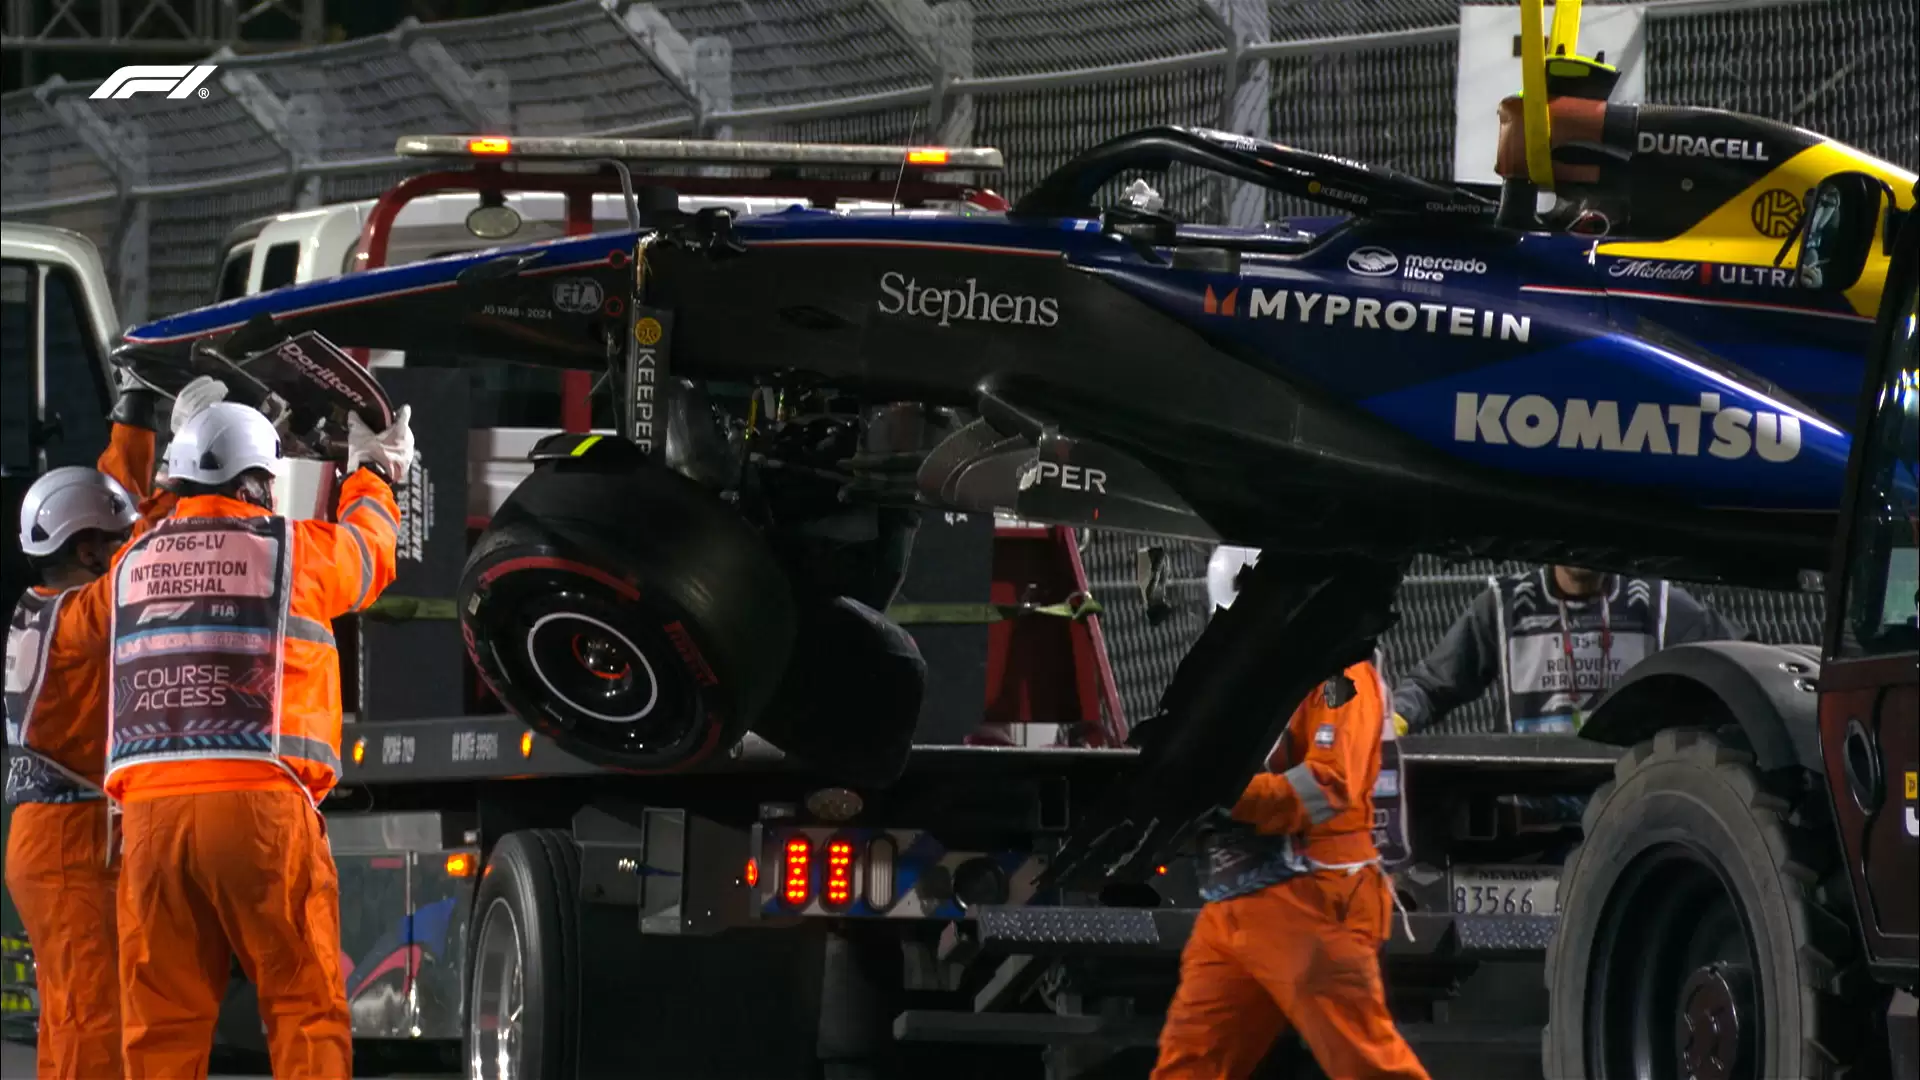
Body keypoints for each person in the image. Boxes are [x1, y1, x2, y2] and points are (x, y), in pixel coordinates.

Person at [106, 394, 412, 1079]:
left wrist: (173, 435)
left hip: (150, 822)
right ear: (254, 485)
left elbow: (143, 513)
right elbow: (368, 554)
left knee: (160, 1024)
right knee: (303, 1005)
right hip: (260, 810)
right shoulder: (291, 550)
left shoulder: (131, 561)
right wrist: (373, 472)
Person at [3, 374, 181, 1080]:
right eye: (113, 540)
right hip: (68, 843)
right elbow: (150, 564)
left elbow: (119, 504)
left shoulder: (48, 606)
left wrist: (135, 415)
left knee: (71, 1016)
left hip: (57, 836)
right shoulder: (81, 621)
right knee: (91, 1022)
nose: (125, 544)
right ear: (86, 553)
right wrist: (196, 490)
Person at [1152, 654, 1429, 1080]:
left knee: (1367, 1065)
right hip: (1236, 901)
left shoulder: (1340, 675)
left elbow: (1329, 783)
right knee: (1190, 1066)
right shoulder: (1256, 671)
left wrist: (1219, 796)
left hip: (1312, 899)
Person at [1392, 563, 1750, 735]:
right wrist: (1392, 722)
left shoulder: (1656, 603)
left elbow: (1744, 659)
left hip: (1623, 808)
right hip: (1525, 809)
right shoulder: (1505, 605)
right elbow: (1431, 686)